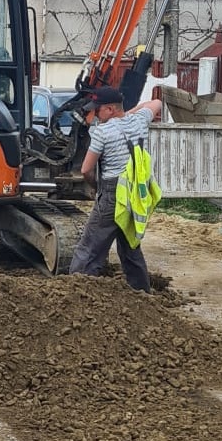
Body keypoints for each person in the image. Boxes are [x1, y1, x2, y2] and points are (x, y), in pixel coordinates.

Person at [66, 86, 163, 292]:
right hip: (134, 194)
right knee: (130, 246)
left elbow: (85, 170)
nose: (94, 115)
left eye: (98, 110)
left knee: (90, 247)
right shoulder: (139, 122)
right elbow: (156, 103)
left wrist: (95, 188)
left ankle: (75, 292)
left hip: (112, 193)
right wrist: (126, 115)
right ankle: (141, 293)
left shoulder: (102, 132)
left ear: (109, 109)